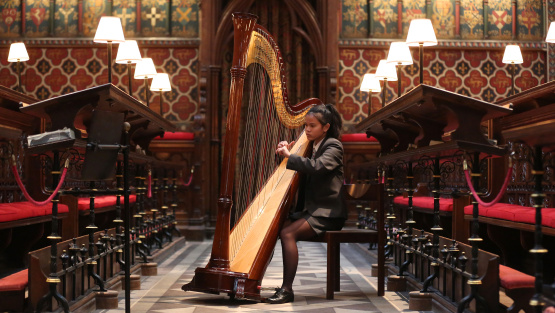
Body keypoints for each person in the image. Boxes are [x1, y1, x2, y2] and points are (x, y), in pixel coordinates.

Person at [267, 103, 347, 304]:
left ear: (326, 127)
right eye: (306, 126)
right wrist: (284, 155)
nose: (308, 130)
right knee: (276, 226)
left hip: (328, 213)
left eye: (312, 126)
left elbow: (317, 167)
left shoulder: (333, 146)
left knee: (287, 233)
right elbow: (298, 170)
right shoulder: (312, 147)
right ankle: (253, 278)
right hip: (312, 211)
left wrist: (290, 156)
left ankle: (287, 289)